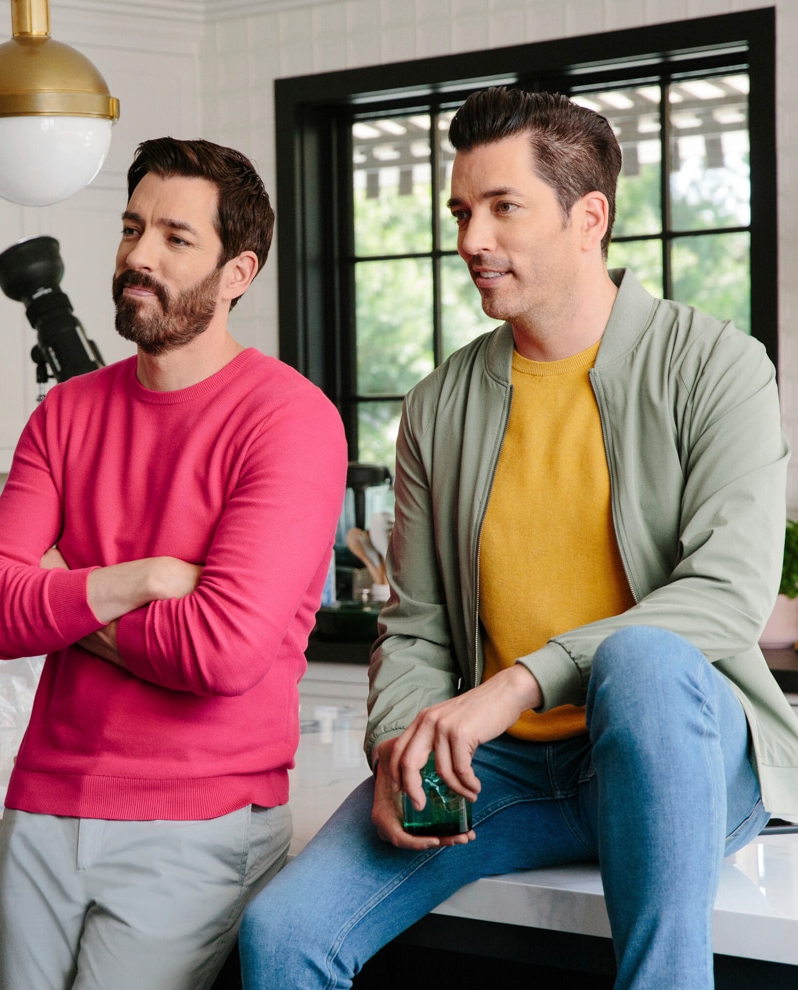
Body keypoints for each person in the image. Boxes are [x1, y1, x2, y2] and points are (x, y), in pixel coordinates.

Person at [239, 86, 798, 989]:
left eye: (504, 208)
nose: (470, 240)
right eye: (463, 211)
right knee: (281, 935)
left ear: (589, 219)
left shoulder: (717, 365)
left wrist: (514, 684)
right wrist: (399, 747)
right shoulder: (436, 406)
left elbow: (728, 594)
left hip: (676, 762)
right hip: (502, 772)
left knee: (647, 662)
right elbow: (416, 627)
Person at [0, 136, 347, 990]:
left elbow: (221, 652)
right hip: (45, 801)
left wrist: (62, 594)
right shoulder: (67, 412)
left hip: (198, 817)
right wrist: (134, 581)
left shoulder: (288, 420)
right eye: (132, 228)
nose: (138, 257)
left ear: (237, 272)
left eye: (175, 238)